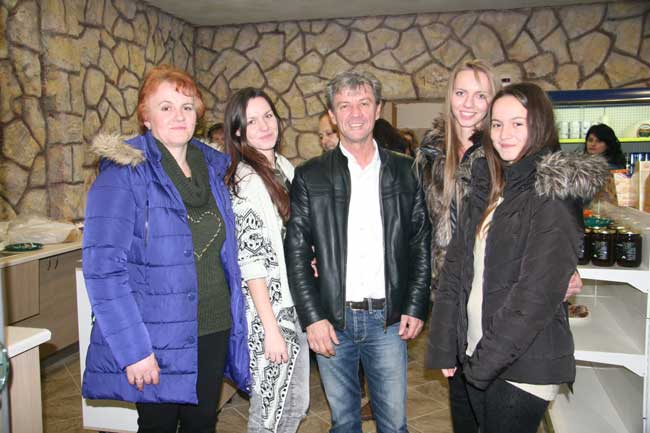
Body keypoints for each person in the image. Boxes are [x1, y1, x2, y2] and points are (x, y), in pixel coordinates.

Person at [428, 82, 608, 433]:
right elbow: (456, 270)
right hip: (477, 353)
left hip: (521, 365)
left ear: (539, 125)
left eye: (517, 123)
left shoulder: (553, 192)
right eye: (497, 124)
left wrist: (482, 366)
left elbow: (534, 296)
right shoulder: (489, 185)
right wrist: (447, 346)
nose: (504, 134)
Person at [81, 65, 250, 433]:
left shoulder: (213, 168)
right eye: (166, 107)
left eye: (187, 107)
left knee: (202, 423)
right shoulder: (125, 173)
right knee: (157, 426)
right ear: (146, 116)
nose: (179, 116)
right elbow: (103, 270)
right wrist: (134, 350)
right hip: (156, 334)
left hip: (213, 325)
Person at [286, 71, 431, 433]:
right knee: (345, 422)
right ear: (332, 115)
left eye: (364, 103)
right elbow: (297, 253)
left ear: (378, 109)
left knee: (394, 424)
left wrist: (415, 304)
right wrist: (312, 318)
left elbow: (419, 242)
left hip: (388, 321)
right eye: (344, 105)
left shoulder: (407, 171)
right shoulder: (310, 176)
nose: (355, 113)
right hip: (333, 321)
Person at [223, 87, 309, 433]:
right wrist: (270, 329)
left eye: (268, 116)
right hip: (268, 314)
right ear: (238, 131)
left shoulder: (283, 167)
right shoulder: (245, 181)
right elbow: (251, 261)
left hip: (293, 305)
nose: (264, 126)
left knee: (295, 404)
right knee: (268, 413)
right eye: (252, 121)